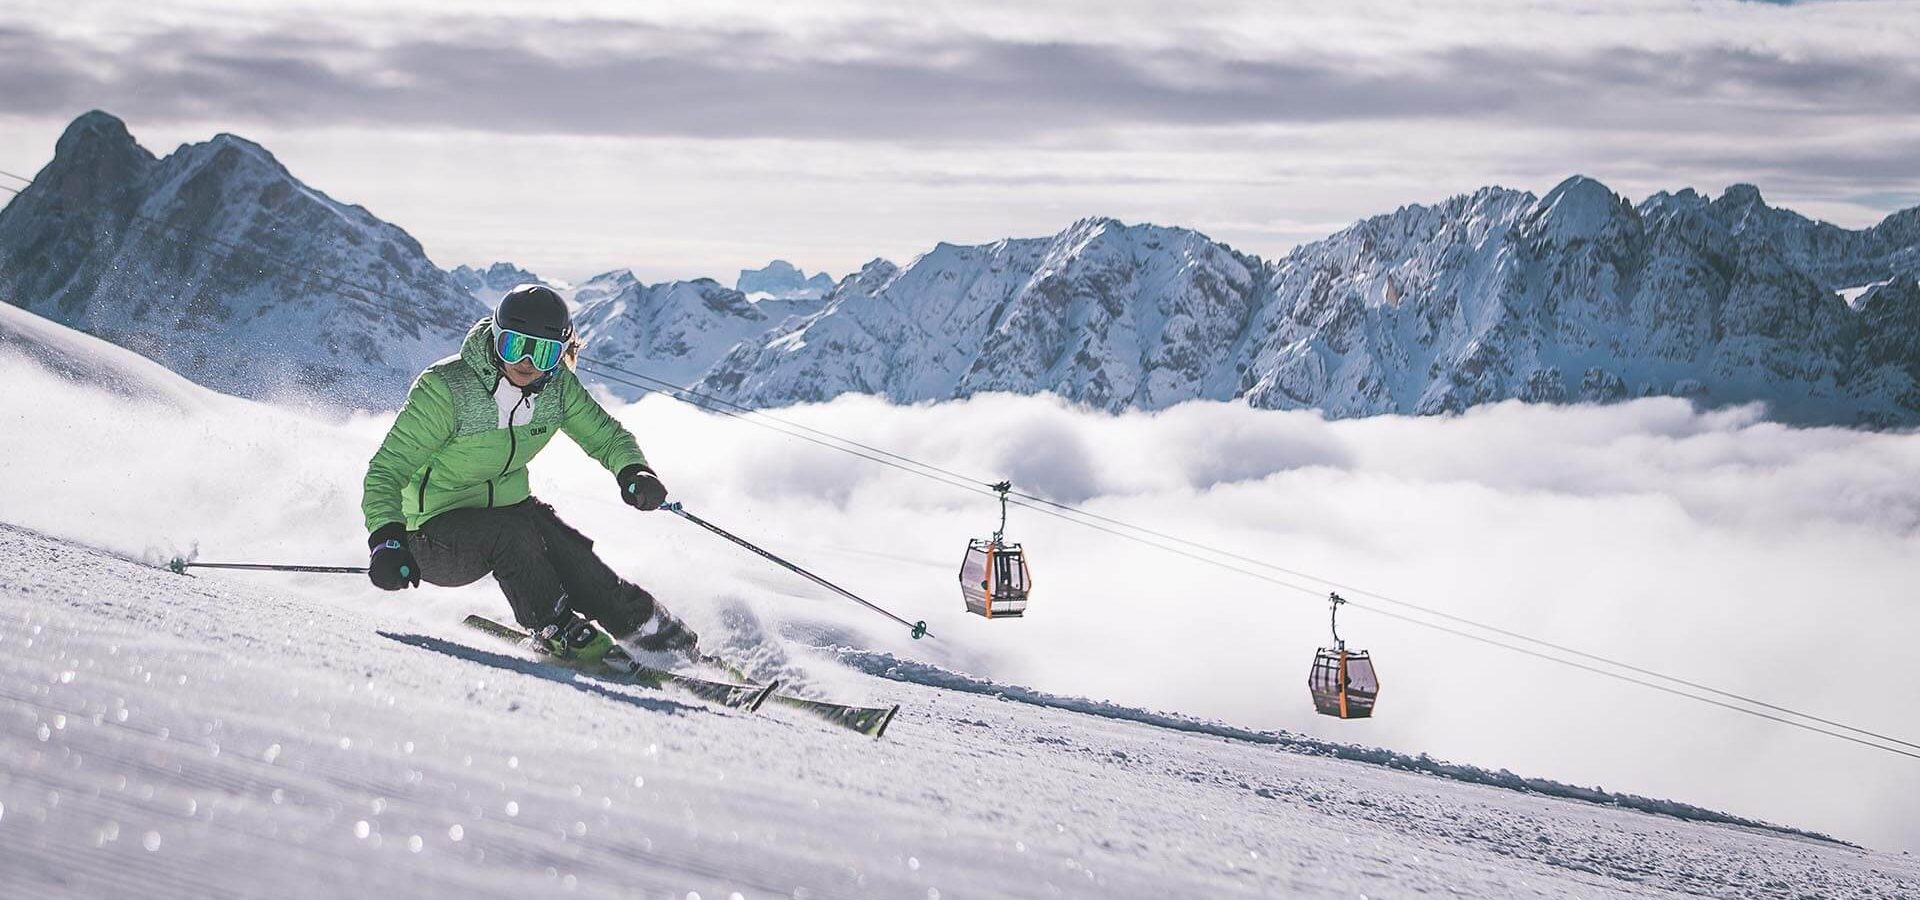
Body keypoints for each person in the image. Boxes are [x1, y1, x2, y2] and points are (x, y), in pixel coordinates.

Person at [360, 284, 698, 664]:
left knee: (574, 557)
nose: (526, 362)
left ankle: (662, 639)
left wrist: (634, 470)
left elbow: (606, 436)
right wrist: (387, 541)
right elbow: (386, 471)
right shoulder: (446, 390)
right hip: (426, 537)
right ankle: (554, 628)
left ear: (559, 353)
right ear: (494, 338)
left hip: (508, 511)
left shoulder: (556, 390)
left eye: (542, 352)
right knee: (513, 535)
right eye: (513, 346)